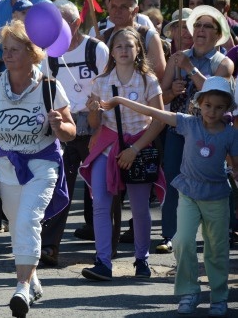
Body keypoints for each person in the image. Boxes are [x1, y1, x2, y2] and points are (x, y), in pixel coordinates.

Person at [101, 77, 238, 317]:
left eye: (219, 107)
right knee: (183, 241)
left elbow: (236, 167)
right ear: (199, 104)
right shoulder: (187, 123)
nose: (212, 111)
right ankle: (189, 292)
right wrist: (120, 100)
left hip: (216, 196)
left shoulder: (231, 134)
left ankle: (218, 296)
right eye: (208, 106)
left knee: (217, 248)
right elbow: (154, 111)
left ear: (227, 109)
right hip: (188, 194)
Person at [0, 20, 75, 317]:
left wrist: (59, 125)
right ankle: (34, 282)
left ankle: (21, 287)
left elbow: (71, 131)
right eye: (5, 49)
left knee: (28, 218)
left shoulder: (50, 87)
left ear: (33, 52)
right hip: (5, 166)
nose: (7, 55)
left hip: (43, 164)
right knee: (18, 225)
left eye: (15, 49)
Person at [79, 28, 166, 281]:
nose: (124, 50)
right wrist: (93, 110)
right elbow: (95, 123)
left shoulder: (148, 80)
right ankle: (103, 262)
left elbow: (159, 120)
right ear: (112, 52)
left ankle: (142, 260)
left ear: (138, 49)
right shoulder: (101, 81)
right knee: (100, 206)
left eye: (129, 46)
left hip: (139, 145)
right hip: (108, 146)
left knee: (139, 209)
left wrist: (135, 150)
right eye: (119, 46)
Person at [157, 5, 233, 254]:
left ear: (217, 33)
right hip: (180, 130)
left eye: (206, 26)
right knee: (173, 180)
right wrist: (173, 91)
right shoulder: (177, 57)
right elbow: (161, 96)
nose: (199, 30)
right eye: (197, 25)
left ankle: (219, 230)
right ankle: (170, 234)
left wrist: (190, 69)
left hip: (212, 133)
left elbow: (213, 90)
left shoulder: (224, 63)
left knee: (214, 179)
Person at [40, 0, 109, 266]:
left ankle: (105, 248)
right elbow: (46, 90)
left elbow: (107, 86)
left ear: (77, 23)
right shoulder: (49, 55)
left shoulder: (96, 49)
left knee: (102, 190)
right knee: (60, 186)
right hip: (66, 126)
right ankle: (49, 246)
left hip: (95, 123)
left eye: (62, 23)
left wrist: (99, 127)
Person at [93, 0, 166, 81]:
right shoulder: (103, 37)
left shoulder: (149, 36)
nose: (117, 11)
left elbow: (159, 73)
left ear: (135, 10)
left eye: (123, 7)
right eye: (113, 6)